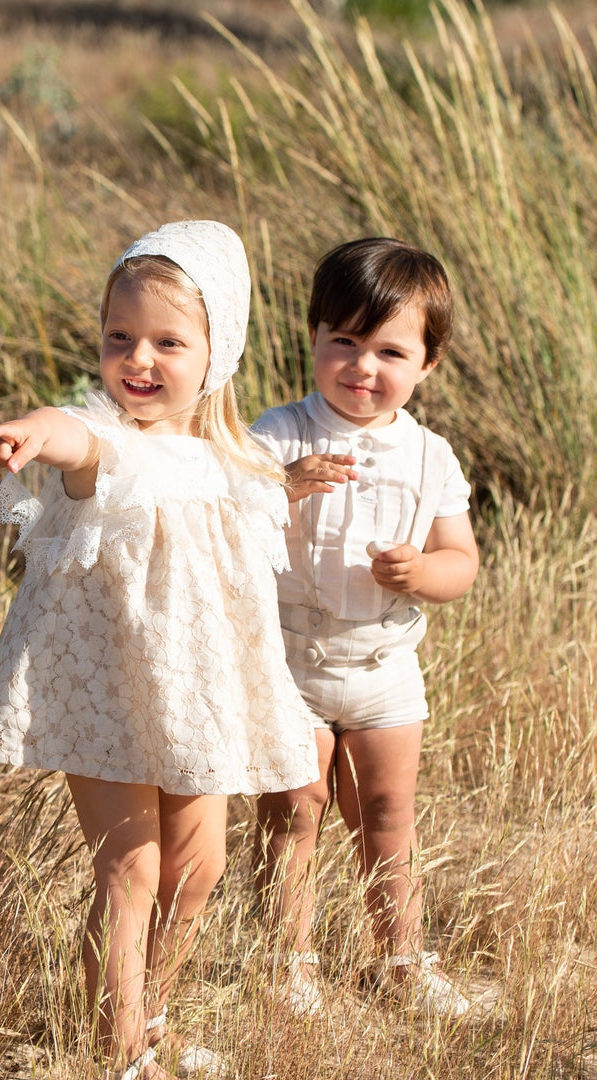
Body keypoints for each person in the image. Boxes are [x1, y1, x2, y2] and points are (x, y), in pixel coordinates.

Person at [0, 220, 319, 1080]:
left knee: (199, 870)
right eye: (119, 337)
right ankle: (118, 1050)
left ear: (217, 350)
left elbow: (242, 534)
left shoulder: (230, 461)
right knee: (132, 868)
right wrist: (34, 430)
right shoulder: (109, 445)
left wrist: (293, 488)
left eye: (168, 340)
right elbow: (75, 439)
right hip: (115, 694)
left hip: (196, 696)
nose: (139, 359)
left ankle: (151, 1013)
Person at [251, 237, 480, 1019]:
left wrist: (421, 573)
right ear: (312, 337)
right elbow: (224, 526)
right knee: (296, 811)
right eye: (342, 341)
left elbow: (461, 561)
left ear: (428, 364)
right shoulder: (279, 433)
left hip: (385, 661)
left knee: (387, 813)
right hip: (290, 657)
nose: (361, 366)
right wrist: (279, 490)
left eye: (389, 350)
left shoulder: (430, 456)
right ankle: (289, 965)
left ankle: (402, 961)